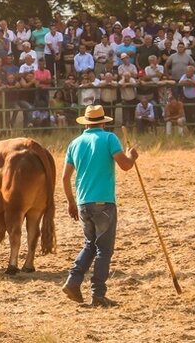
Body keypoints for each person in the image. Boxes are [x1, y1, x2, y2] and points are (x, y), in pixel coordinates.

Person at [61, 105, 138, 308]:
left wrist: (70, 201)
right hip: (103, 201)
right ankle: (98, 294)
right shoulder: (109, 138)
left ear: (86, 123)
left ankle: (73, 280)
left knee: (90, 244)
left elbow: (65, 177)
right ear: (103, 122)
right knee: (104, 249)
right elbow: (125, 165)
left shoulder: (75, 143)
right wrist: (132, 156)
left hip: (83, 202)